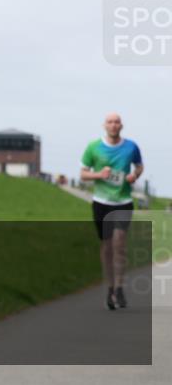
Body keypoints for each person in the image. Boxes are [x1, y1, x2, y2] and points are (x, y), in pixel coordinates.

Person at [79, 112, 144, 310]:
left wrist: (134, 176)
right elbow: (82, 174)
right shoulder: (93, 147)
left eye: (117, 122)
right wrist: (100, 174)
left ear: (121, 126)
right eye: (110, 122)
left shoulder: (131, 146)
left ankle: (119, 287)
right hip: (101, 203)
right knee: (107, 246)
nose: (113, 125)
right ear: (104, 126)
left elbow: (139, 167)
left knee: (119, 244)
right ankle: (110, 287)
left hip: (123, 202)